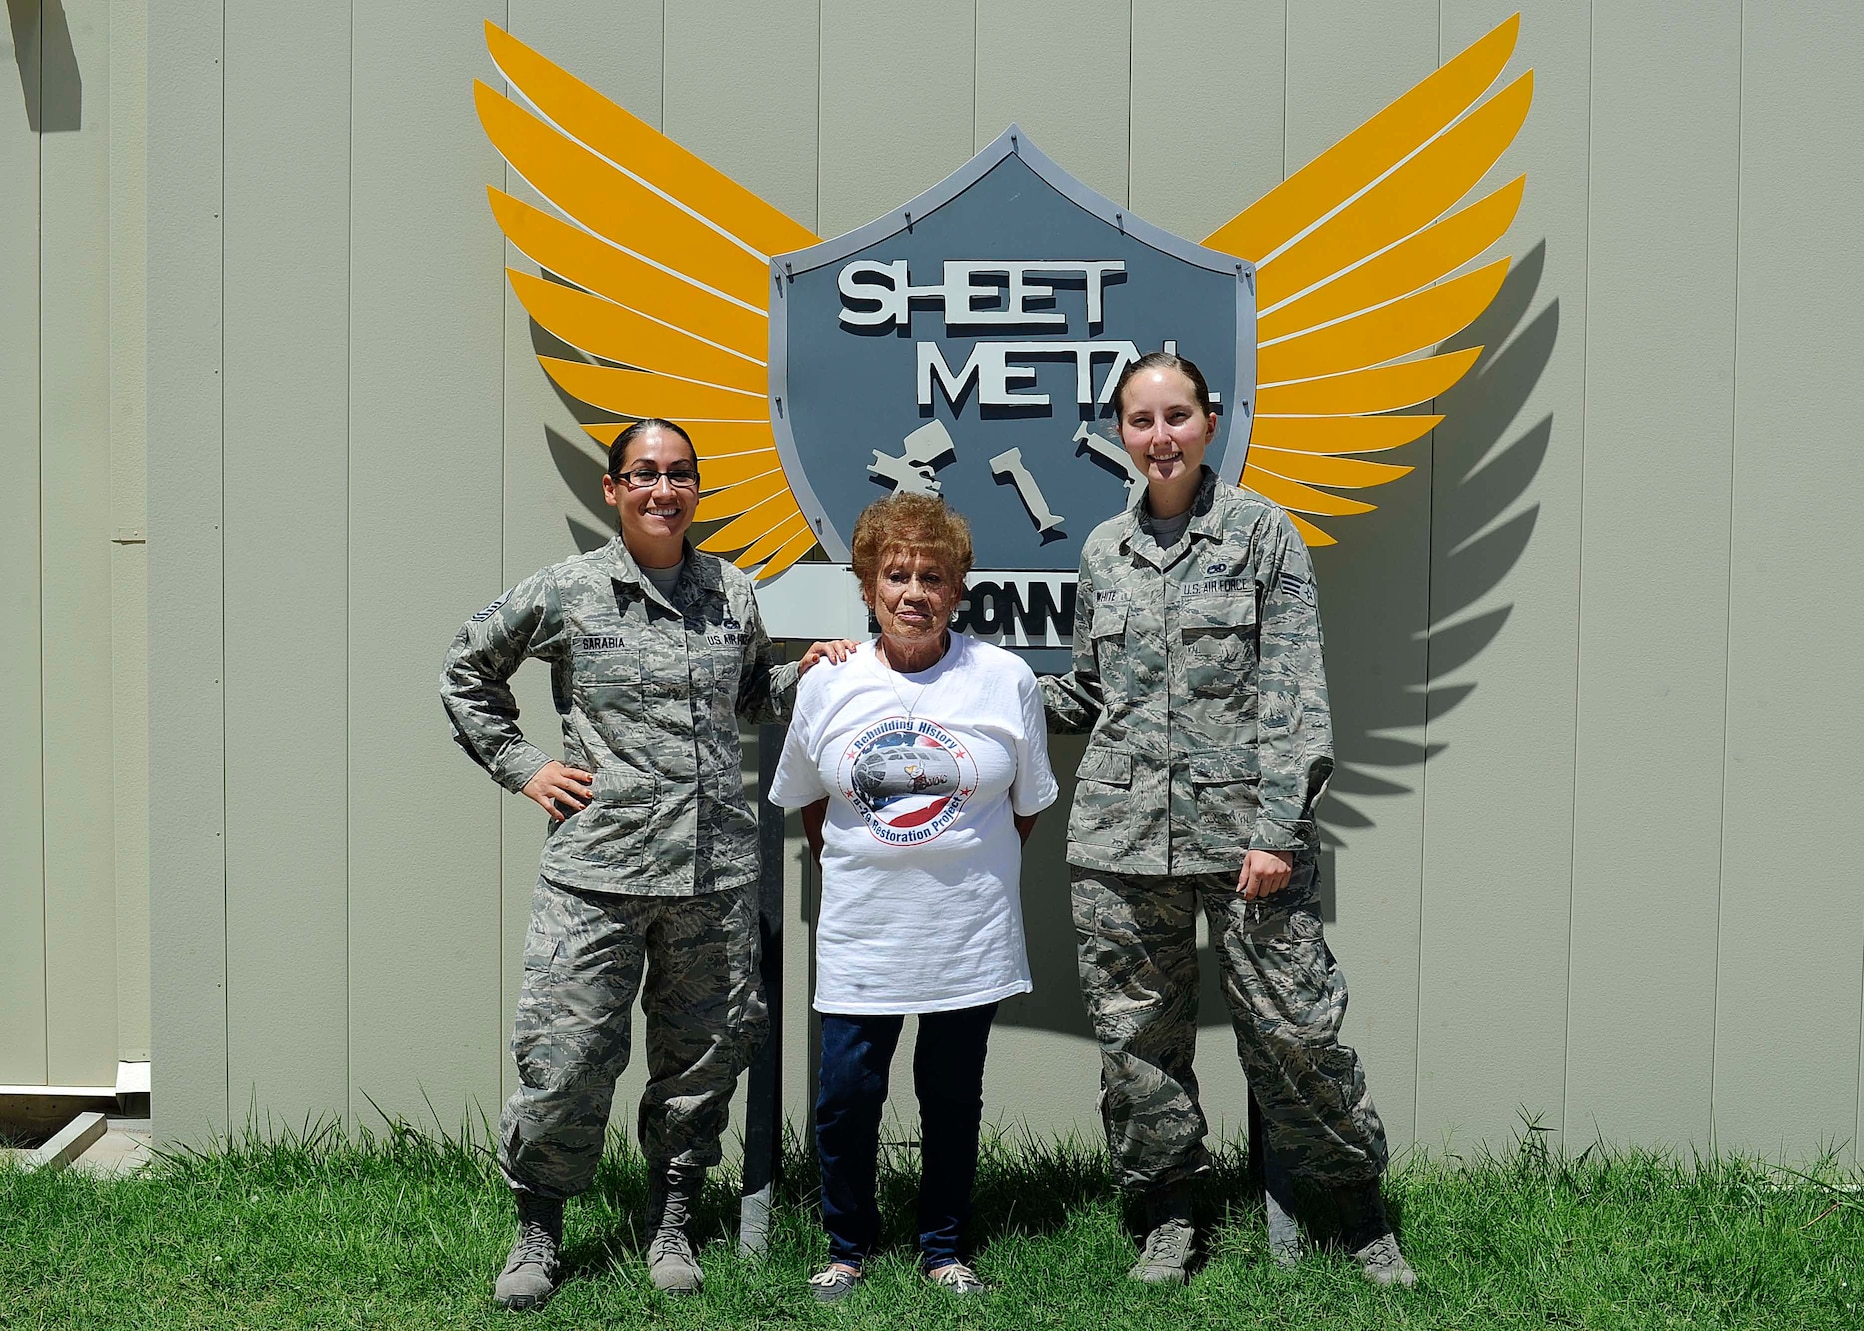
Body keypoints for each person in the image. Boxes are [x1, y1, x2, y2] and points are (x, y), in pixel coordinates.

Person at [440, 417, 852, 1310]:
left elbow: (749, 695)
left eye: (679, 475)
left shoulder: (731, 592)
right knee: (568, 1057)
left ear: (696, 488)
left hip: (712, 879)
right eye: (644, 474)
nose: (663, 490)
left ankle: (672, 1222)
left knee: (703, 1061)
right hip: (598, 874)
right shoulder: (570, 592)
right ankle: (538, 1232)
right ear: (614, 490)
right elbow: (468, 669)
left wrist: (806, 670)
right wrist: (526, 767)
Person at [1041, 352, 1416, 1287]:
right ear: (1118, 433)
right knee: (1139, 1046)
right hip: (1121, 849)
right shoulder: (1100, 552)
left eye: (1176, 416)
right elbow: (1091, 693)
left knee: (1297, 1032)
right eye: (1139, 420)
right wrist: (948, 679)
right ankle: (1167, 1214)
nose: (1159, 437)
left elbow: (1297, 697)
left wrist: (1280, 834)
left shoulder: (1262, 535)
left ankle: (1356, 1211)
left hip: (1250, 844)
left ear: (1210, 420)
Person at [769, 493, 1060, 1302]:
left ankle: (942, 1247)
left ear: (958, 587)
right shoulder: (829, 684)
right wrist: (868, 861)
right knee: (847, 1094)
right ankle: (846, 1245)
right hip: (863, 933)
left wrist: (966, 865)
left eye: (932, 575)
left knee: (951, 1093)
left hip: (966, 932)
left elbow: (1026, 804)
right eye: (895, 574)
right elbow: (809, 798)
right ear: (867, 586)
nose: (913, 592)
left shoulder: (1005, 680)